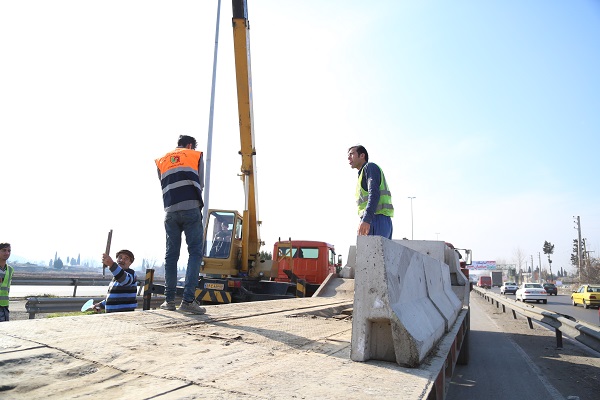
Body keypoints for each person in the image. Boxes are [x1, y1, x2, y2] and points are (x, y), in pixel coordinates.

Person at [155, 135, 206, 314]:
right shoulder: (195, 155)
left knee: (171, 256)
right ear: (190, 145)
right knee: (195, 253)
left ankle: (168, 301)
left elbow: (162, 183)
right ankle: (188, 301)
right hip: (191, 208)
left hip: (169, 211)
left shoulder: (161, 160)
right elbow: (201, 184)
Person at [347, 145, 394, 239]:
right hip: (374, 220)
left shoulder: (370, 167)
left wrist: (366, 219)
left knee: (375, 252)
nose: (348, 158)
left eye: (351, 154)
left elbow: (374, 194)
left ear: (362, 156)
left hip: (376, 219)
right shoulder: (362, 174)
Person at [0, 243, 14, 322]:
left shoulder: (10, 270)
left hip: (5, 306)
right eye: (4, 250)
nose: (7, 253)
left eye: (9, 251)